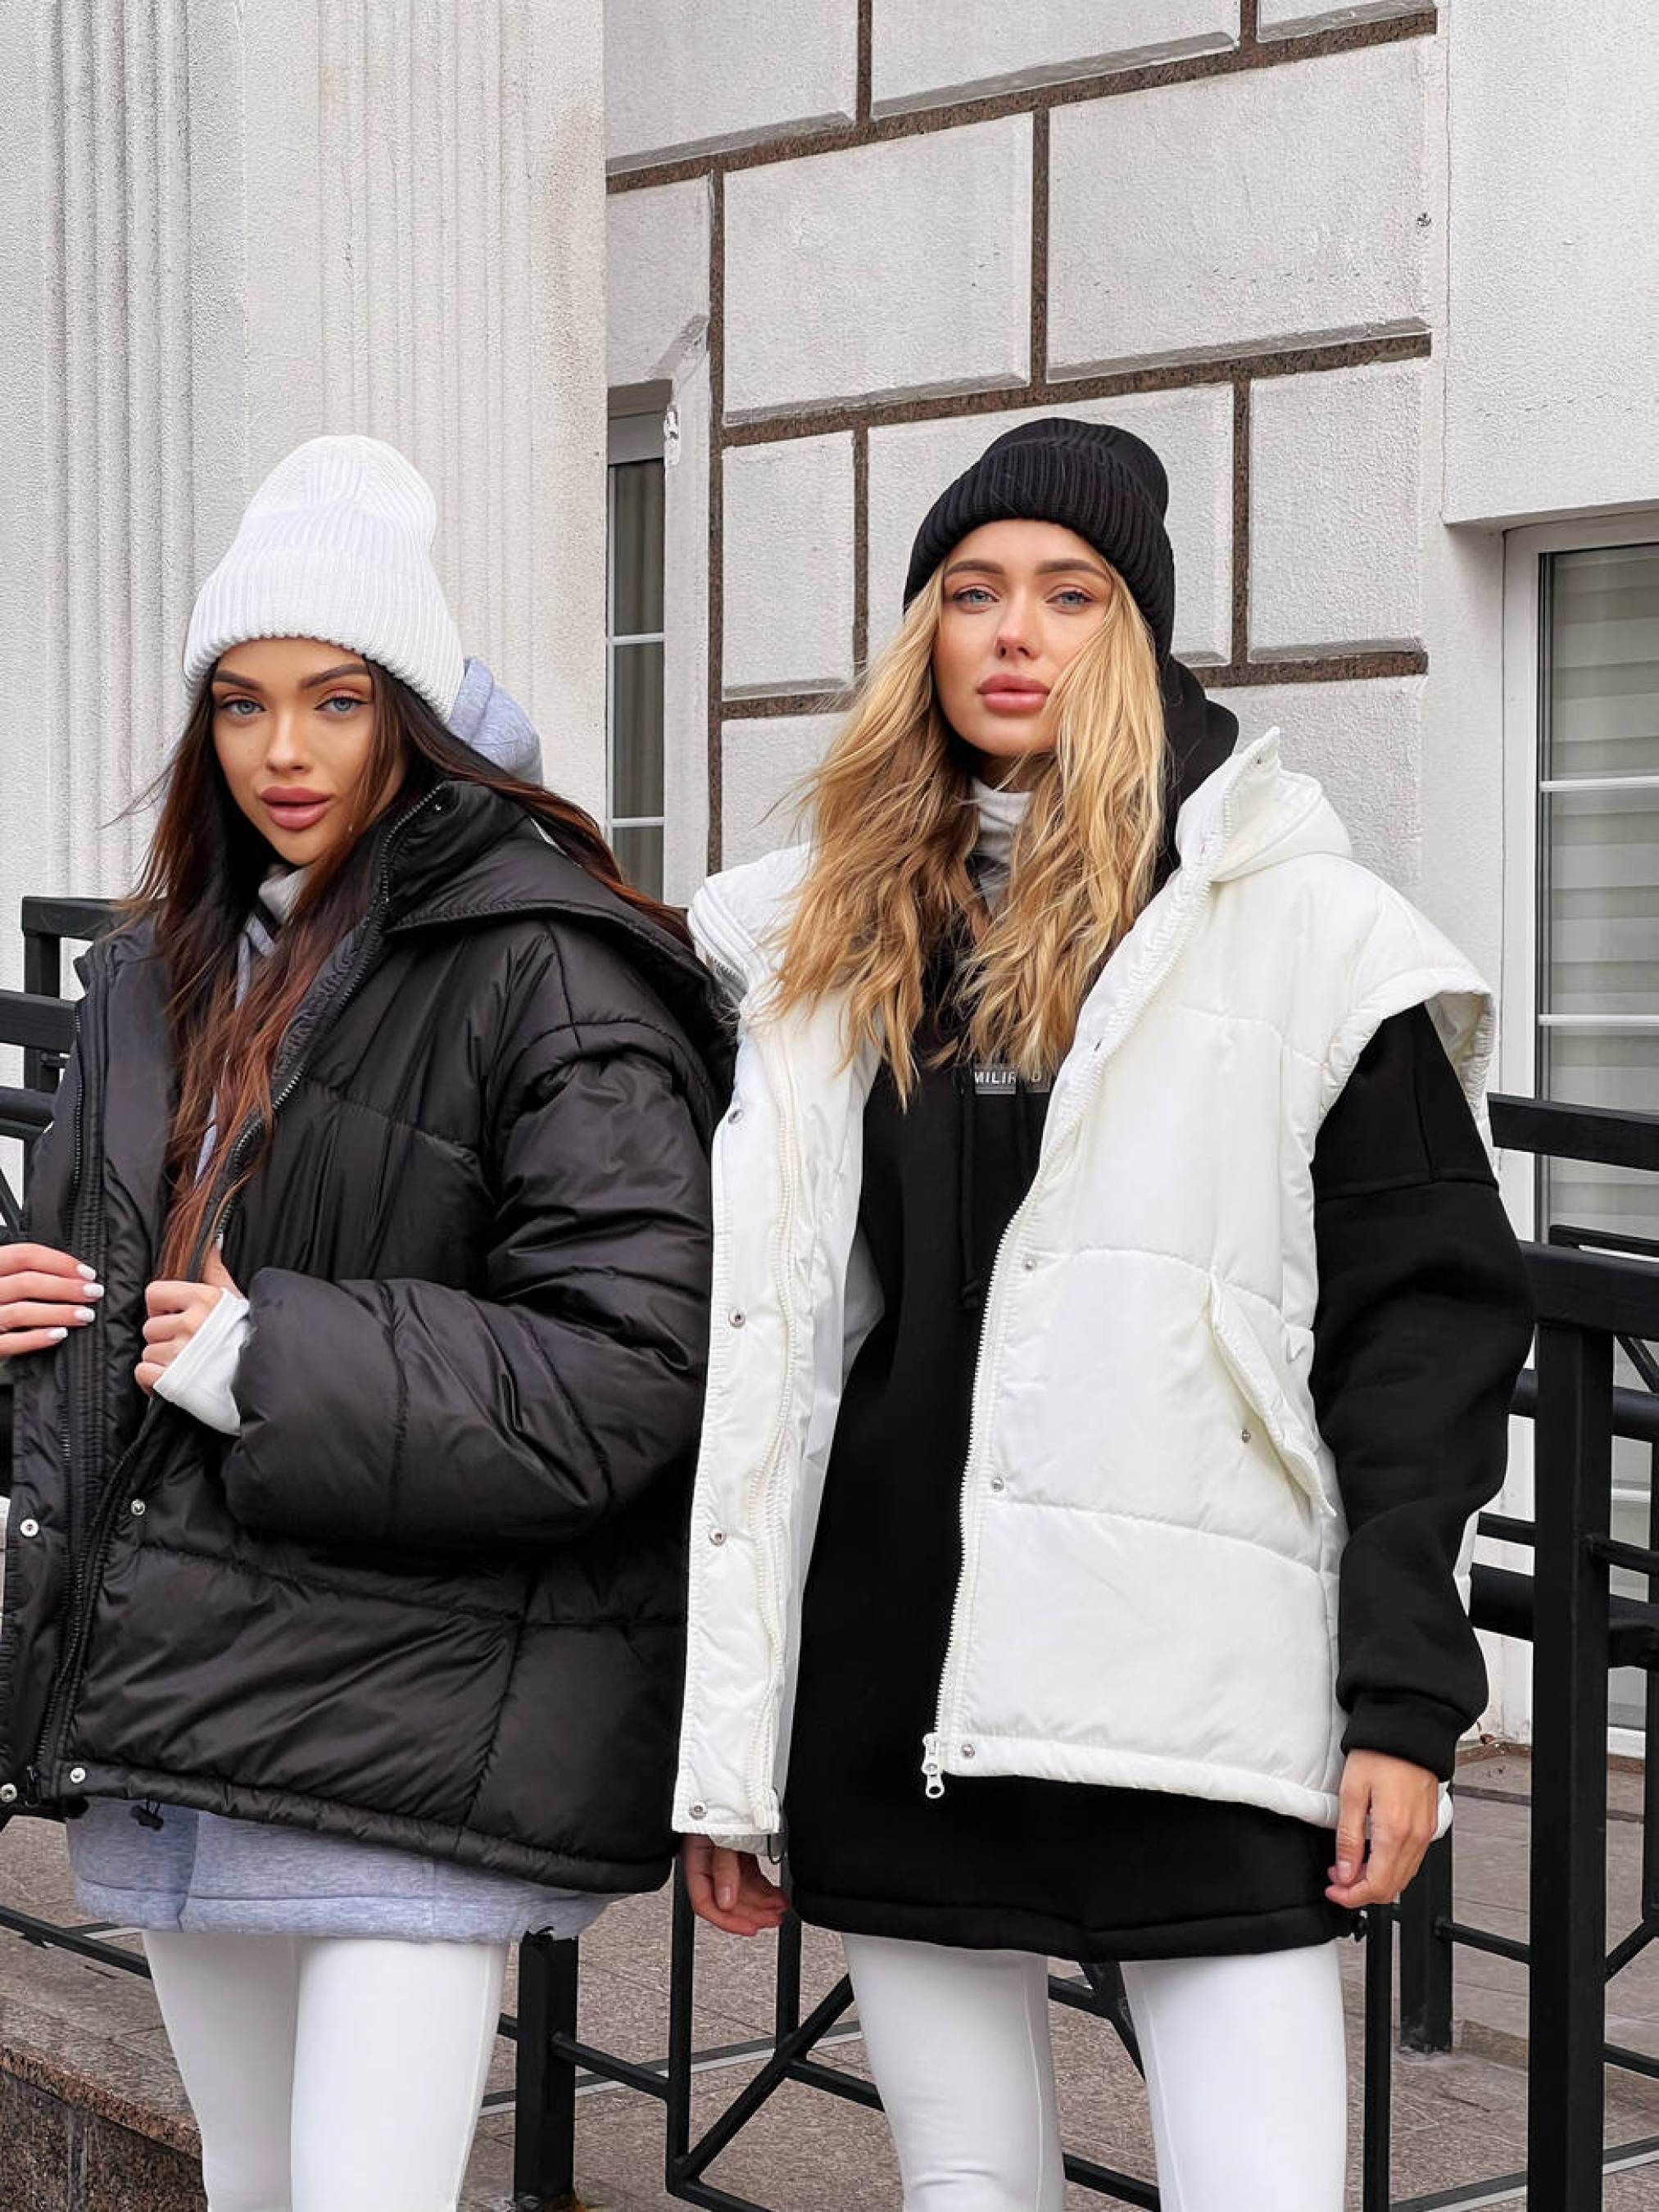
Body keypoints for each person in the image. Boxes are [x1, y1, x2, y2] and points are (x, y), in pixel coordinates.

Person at [673, 419, 1534, 2210]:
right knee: (964, 2188)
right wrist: (732, 1757)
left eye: (1069, 596)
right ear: (920, 633)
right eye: (970, 591)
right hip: (898, 1666)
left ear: (1136, 636)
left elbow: (1426, 1331)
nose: (1014, 633)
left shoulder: (1303, 931)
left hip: (1193, 1677)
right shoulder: (817, 940)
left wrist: (1401, 1701)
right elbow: (765, 1353)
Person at [0, 437, 723, 2212]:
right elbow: (113, 1342)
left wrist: (270, 1359)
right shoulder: (163, 971)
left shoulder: (549, 961)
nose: (285, 751)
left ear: (414, 707)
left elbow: (631, 1370)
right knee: (251, 2183)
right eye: (240, 704)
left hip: (421, 1712)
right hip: (192, 1704)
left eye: (336, 700)